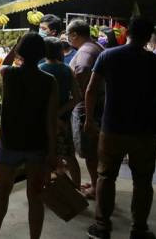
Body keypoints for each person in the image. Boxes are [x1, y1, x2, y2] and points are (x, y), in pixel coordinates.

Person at [85, 18, 156, 239]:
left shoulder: (108, 56)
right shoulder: (155, 62)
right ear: (148, 37)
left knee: (105, 176)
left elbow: (91, 90)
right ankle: (139, 229)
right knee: (143, 181)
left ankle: (102, 226)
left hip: (112, 127)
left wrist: (89, 120)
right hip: (143, 131)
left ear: (128, 33)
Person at [0, 33, 58, 239]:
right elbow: (51, 120)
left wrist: (15, 49)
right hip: (37, 145)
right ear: (42, 54)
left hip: (10, 141)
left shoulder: (9, 74)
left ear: (20, 51)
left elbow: (3, 64)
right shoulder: (49, 81)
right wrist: (52, 152)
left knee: (2, 191)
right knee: (35, 196)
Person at [66, 19, 105, 200]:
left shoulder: (85, 52)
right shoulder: (94, 46)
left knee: (90, 151)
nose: (67, 39)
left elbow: (81, 71)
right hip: (96, 104)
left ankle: (97, 188)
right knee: (94, 149)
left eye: (68, 35)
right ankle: (96, 181)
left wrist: (77, 92)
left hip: (86, 108)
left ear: (74, 34)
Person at [40, 37, 84, 187]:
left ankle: (46, 192)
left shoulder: (40, 69)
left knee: (45, 157)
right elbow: (77, 97)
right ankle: (77, 189)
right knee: (70, 157)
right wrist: (59, 114)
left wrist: (52, 115)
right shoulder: (67, 69)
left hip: (44, 122)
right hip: (63, 122)